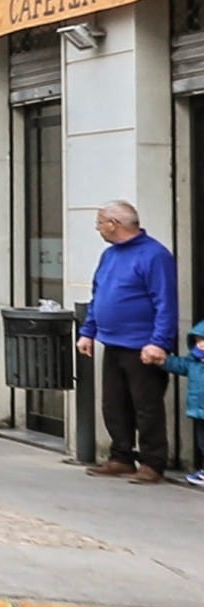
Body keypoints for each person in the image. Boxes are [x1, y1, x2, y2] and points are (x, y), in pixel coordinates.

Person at [78, 199, 180, 484]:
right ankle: (120, 456)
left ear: (114, 224)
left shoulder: (154, 256)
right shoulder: (109, 255)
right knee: (114, 404)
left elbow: (165, 303)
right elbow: (98, 295)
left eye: (99, 222)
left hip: (143, 345)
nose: (98, 228)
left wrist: (159, 341)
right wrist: (88, 331)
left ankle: (152, 462)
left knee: (146, 406)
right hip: (113, 341)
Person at [156, 320, 204, 487]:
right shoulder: (194, 361)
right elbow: (179, 365)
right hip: (199, 410)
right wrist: (163, 361)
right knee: (201, 442)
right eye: (199, 341)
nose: (201, 345)